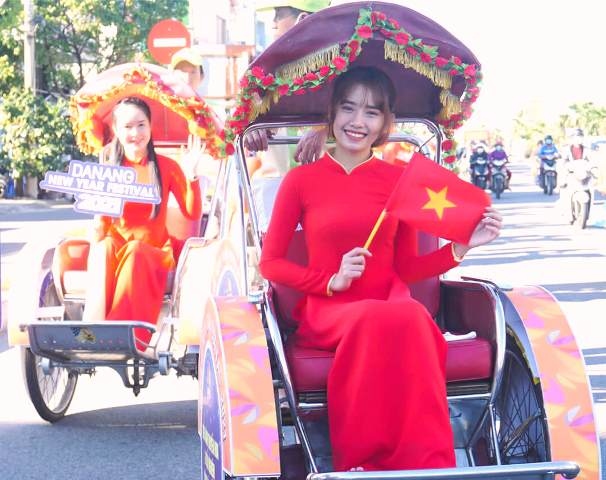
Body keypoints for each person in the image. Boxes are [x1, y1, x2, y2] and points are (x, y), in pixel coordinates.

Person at [259, 67, 502, 471]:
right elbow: (270, 263)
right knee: (385, 316)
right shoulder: (301, 181)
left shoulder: (398, 181)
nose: (358, 122)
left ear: (385, 122)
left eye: (372, 112)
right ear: (333, 114)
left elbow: (406, 268)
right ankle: (364, 463)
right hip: (328, 309)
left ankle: (428, 464)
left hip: (389, 302)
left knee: (406, 313)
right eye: (349, 108)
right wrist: (330, 280)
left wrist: (459, 249)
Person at [84, 97, 202, 348]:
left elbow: (192, 214)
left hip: (152, 251)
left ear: (150, 127)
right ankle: (90, 331)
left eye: (141, 125)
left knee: (135, 251)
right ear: (116, 130)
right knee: (103, 247)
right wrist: (95, 232)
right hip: (116, 247)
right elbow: (103, 221)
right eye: (127, 127)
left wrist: (191, 175)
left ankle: (123, 337)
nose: (135, 133)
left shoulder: (167, 167)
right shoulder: (108, 165)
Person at [245, 0, 330, 162]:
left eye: (279, 15)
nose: (272, 23)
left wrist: (324, 130)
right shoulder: (262, 72)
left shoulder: (342, 68)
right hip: (275, 181)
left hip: (327, 180)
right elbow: (243, 117)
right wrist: (251, 128)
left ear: (303, 20)